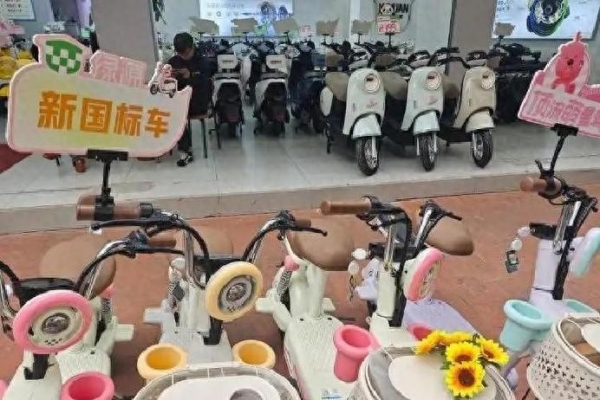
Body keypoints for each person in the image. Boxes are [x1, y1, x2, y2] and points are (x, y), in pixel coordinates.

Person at [168, 32, 214, 167]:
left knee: (177, 114)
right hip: (179, 100)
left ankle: (185, 151)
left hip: (198, 101)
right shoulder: (173, 62)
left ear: (192, 47)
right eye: (180, 54)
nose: (183, 56)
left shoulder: (203, 62)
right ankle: (163, 147)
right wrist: (169, 77)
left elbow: (205, 85)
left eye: (186, 53)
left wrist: (190, 77)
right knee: (168, 110)